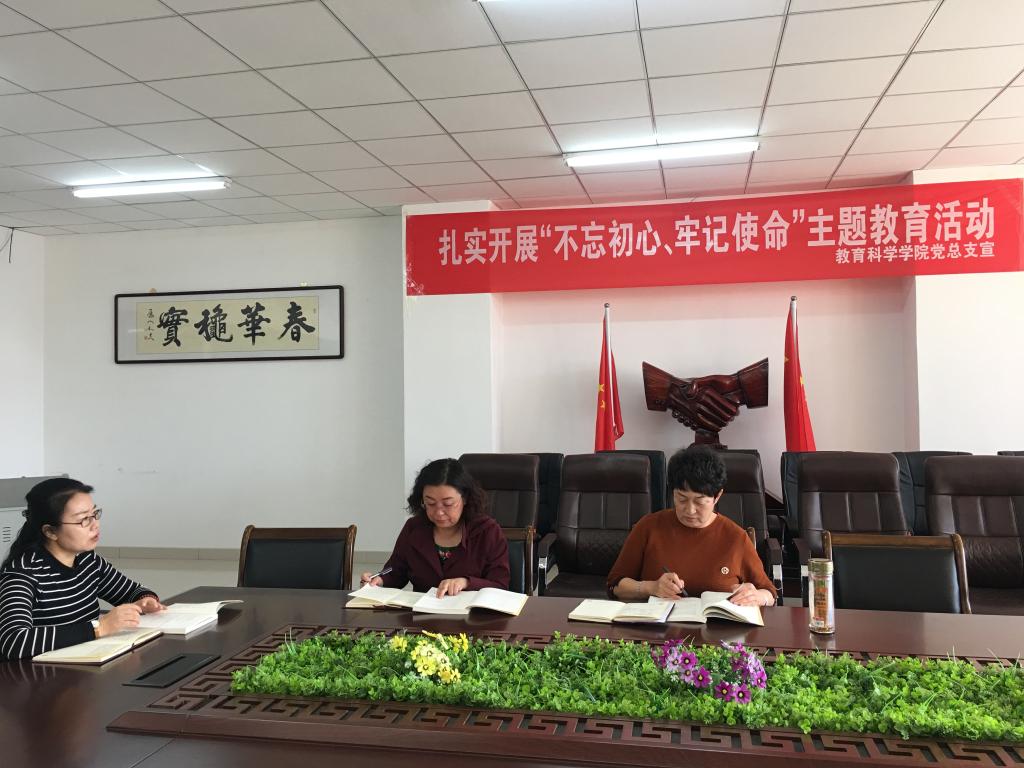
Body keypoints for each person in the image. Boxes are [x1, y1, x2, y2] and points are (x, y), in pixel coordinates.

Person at [0, 478, 164, 661]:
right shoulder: (22, 575)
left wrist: (146, 600)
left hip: (88, 663)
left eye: (94, 514)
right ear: (50, 531)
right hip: (43, 674)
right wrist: (99, 628)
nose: (95, 525)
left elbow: (132, 592)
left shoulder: (88, 560)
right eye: (83, 519)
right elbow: (13, 641)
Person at [607, 446, 777, 607]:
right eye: (681, 499)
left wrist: (758, 597)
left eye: (700, 501)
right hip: (656, 624)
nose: (690, 510)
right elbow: (615, 585)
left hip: (716, 627)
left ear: (717, 496)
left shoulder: (736, 537)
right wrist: (650, 587)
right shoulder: (649, 527)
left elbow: (769, 592)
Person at [361, 458, 509, 596]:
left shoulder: (487, 531)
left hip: (471, 613)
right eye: (430, 503)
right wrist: (379, 580)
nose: (438, 512)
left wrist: (466, 582)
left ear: (465, 498)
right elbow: (395, 571)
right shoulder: (414, 528)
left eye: (448, 504)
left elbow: (500, 585)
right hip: (422, 613)